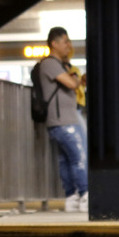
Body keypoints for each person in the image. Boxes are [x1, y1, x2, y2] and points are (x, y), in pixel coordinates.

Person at [40, 26, 88, 212]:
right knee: (79, 157)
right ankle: (85, 194)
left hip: (62, 120)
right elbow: (71, 83)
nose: (69, 45)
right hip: (63, 121)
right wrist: (76, 78)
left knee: (66, 160)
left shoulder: (59, 65)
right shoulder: (50, 64)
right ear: (54, 43)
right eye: (65, 41)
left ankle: (72, 197)